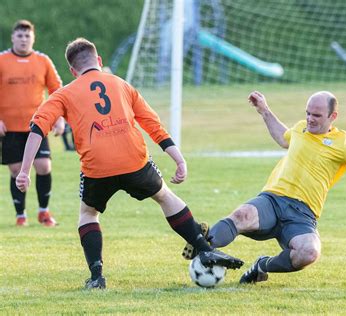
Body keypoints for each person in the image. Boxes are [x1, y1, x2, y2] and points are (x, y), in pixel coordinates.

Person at [15, 38, 243, 289]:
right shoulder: (122, 84)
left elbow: (37, 128)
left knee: (89, 213)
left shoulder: (64, 93)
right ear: (99, 61)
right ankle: (203, 248)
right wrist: (178, 159)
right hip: (134, 160)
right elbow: (152, 124)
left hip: (97, 166)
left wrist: (25, 171)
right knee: (165, 196)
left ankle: (96, 275)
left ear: (72, 70)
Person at [182, 90, 346, 284]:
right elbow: (284, 138)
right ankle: (204, 247)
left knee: (308, 253)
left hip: (303, 214)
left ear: (332, 116)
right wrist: (264, 111)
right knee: (241, 215)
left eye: (316, 115)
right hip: (273, 199)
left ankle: (262, 267)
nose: (310, 119)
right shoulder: (301, 128)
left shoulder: (342, 144)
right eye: (307, 113)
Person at [0, 19, 64, 226]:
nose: (23, 39)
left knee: (44, 166)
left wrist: (59, 117)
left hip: (37, 126)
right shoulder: (2, 60)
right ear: (13, 38)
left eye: (27, 35)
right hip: (9, 128)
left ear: (33, 38)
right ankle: (21, 215)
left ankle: (44, 212)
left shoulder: (43, 61)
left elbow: (57, 90)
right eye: (20, 35)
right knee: (16, 170)